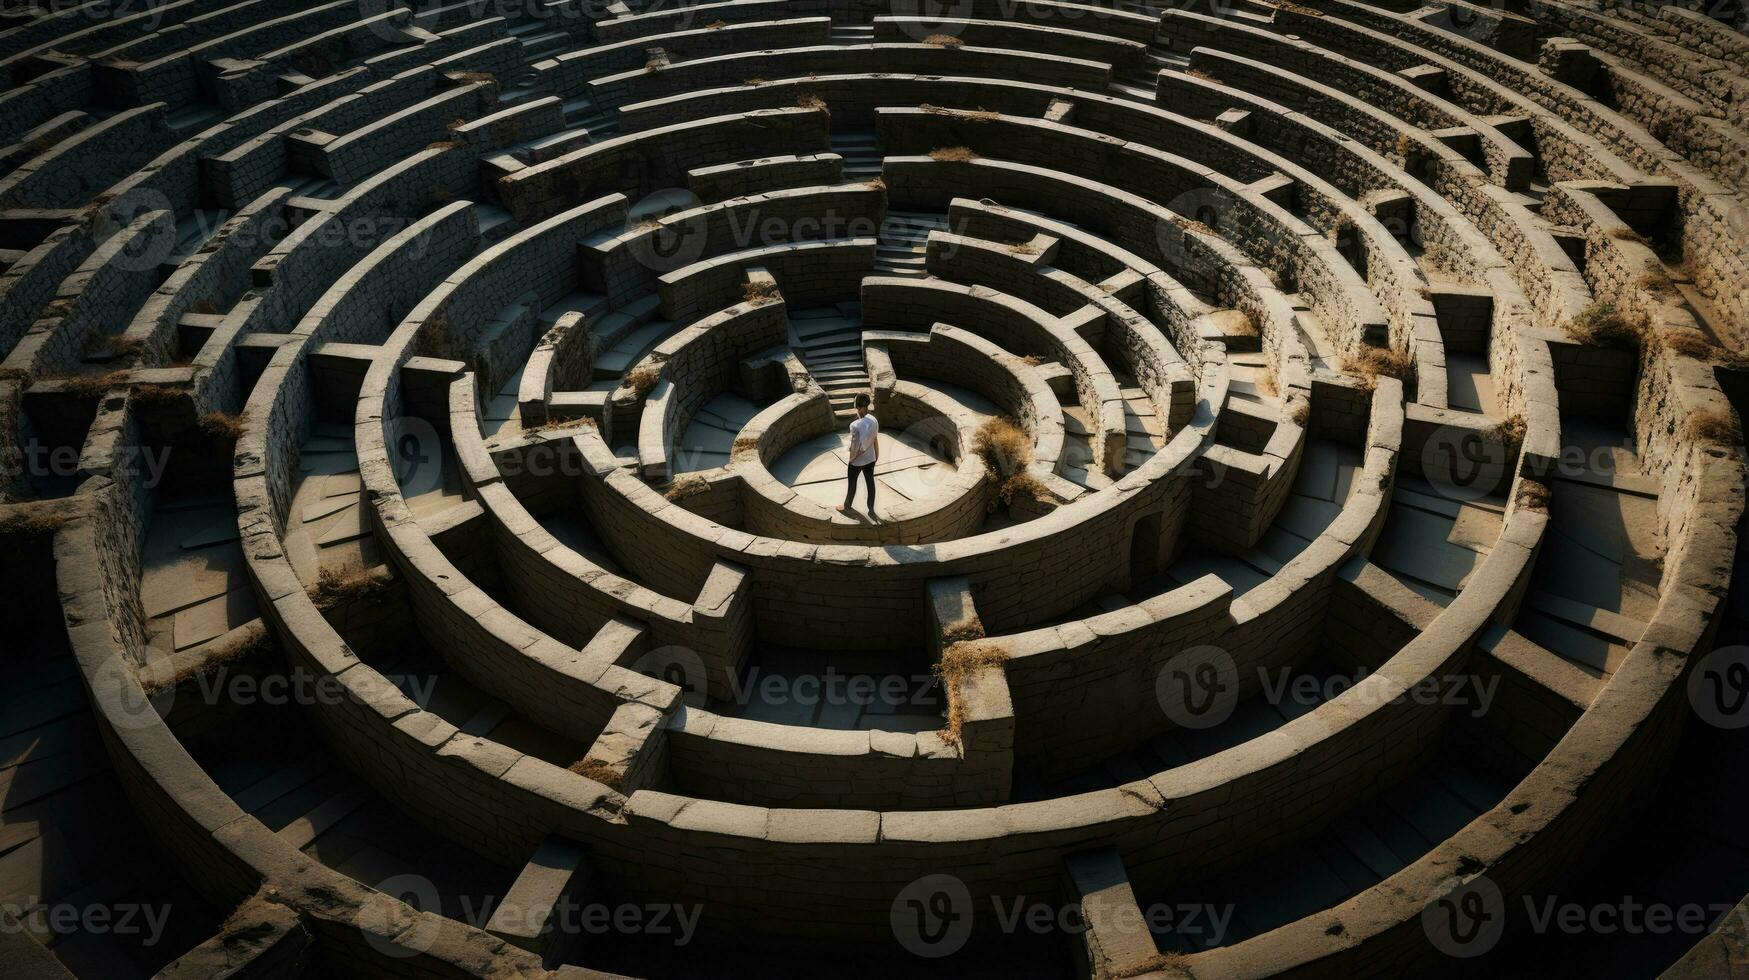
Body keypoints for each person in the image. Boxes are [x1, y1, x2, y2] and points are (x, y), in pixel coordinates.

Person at [836, 393, 879, 515]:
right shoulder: (874, 420)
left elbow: (855, 446)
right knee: (870, 482)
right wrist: (876, 456)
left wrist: (851, 460)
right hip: (871, 458)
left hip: (857, 461)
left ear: (858, 407)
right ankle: (871, 508)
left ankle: (847, 506)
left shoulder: (855, 425)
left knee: (852, 483)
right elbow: (875, 439)